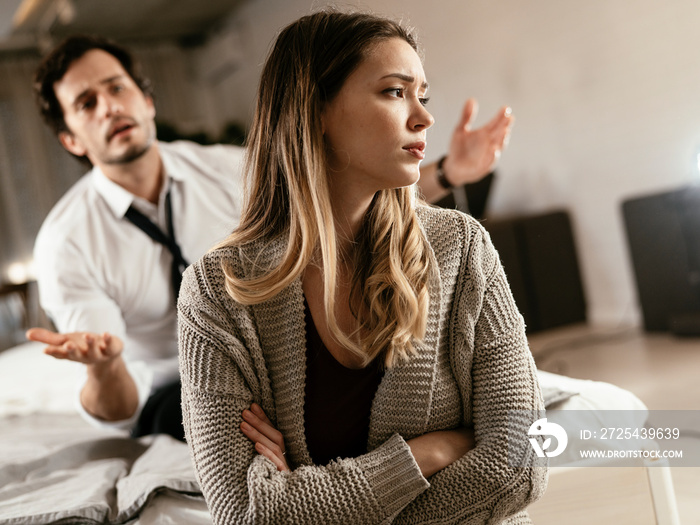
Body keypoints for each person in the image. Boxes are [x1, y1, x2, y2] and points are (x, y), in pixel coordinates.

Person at [26, 33, 513, 442]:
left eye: (117, 88)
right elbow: (120, 404)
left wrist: (449, 172)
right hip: (172, 390)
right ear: (70, 138)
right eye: (87, 104)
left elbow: (340, 201)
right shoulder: (65, 243)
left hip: (267, 359)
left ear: (146, 100)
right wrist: (105, 368)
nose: (109, 107)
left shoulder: (224, 168)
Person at [178, 10, 545, 525]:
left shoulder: (463, 249)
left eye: (424, 95)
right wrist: (425, 455)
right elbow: (243, 512)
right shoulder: (217, 293)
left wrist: (304, 503)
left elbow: (522, 459)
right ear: (315, 110)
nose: (423, 117)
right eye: (395, 92)